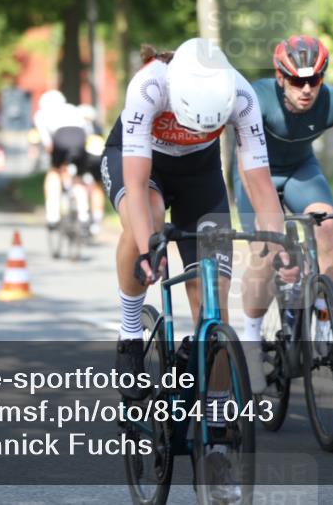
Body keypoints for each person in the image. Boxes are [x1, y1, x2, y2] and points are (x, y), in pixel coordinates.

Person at [100, 38, 297, 402]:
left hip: (200, 175)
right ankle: (130, 334)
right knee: (148, 218)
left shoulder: (242, 96)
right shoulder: (149, 86)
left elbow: (259, 182)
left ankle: (217, 415)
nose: (192, 133)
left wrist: (280, 244)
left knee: (214, 305)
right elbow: (137, 185)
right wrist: (147, 250)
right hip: (144, 166)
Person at [234, 35, 333, 386]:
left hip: (301, 171)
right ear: (280, 77)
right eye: (297, 80)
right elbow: (245, 166)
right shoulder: (255, 98)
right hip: (256, 173)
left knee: (326, 223)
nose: (306, 89)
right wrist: (269, 227)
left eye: (314, 80)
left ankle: (322, 314)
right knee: (265, 251)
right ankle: (251, 338)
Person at [33, 89, 90, 229]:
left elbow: (48, 143)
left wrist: (55, 159)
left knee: (54, 173)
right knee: (78, 177)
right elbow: (87, 130)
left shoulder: (41, 114)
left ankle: (53, 216)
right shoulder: (73, 109)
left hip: (61, 137)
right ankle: (84, 215)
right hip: (79, 138)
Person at [78, 103, 106, 236]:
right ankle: (97, 219)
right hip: (98, 159)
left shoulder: (78, 127)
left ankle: (82, 213)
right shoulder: (97, 128)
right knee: (97, 188)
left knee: (78, 182)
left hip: (83, 159)